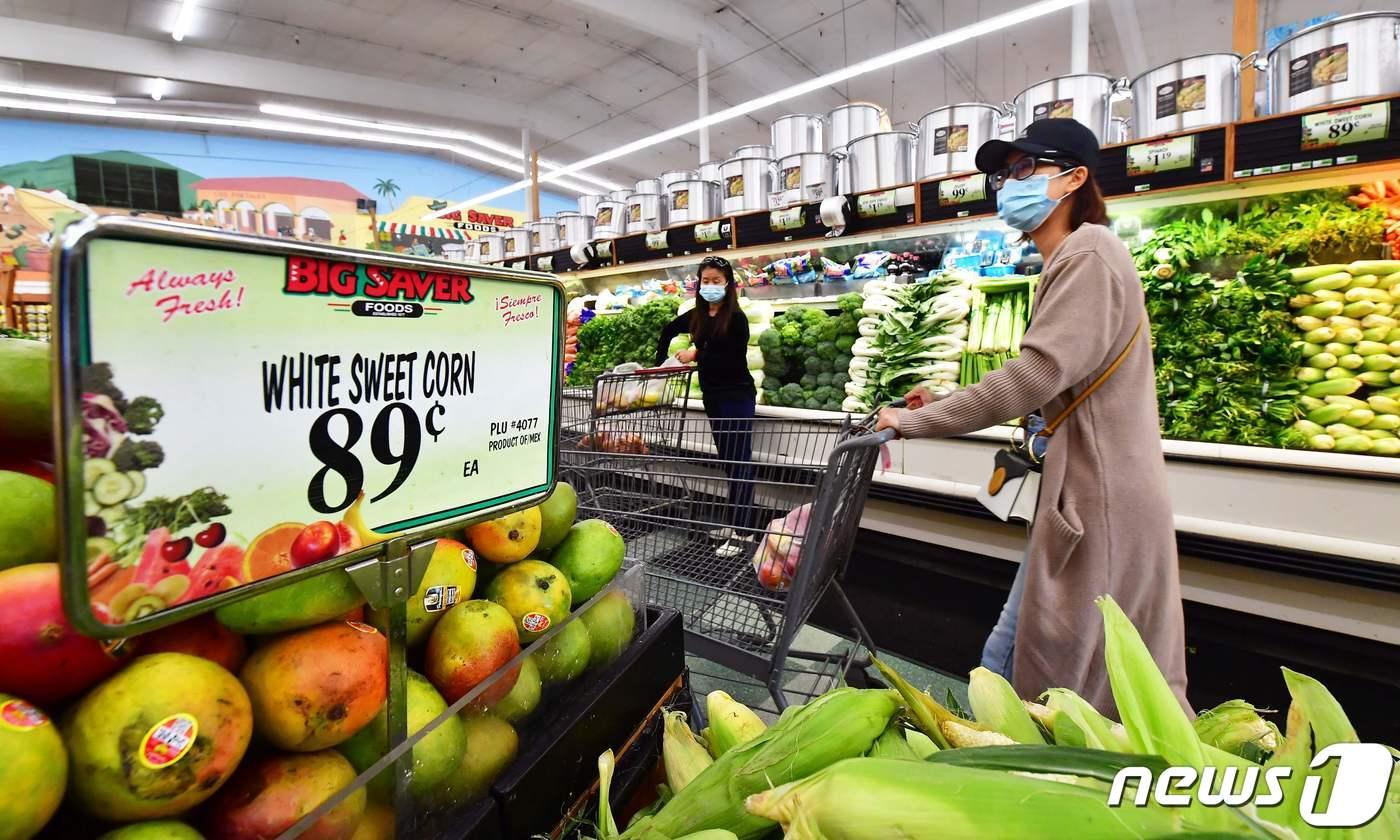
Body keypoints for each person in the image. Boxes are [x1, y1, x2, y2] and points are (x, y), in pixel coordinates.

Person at [874, 118, 1188, 715]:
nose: (1005, 185)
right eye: (1001, 174)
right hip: (1085, 494)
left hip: (1102, 501)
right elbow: (1056, 382)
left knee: (1059, 675)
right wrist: (941, 400)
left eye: (1023, 169)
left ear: (1073, 178)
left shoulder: (1088, 253)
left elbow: (1033, 378)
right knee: (1031, 654)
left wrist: (909, 422)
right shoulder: (1073, 258)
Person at [657, 256, 757, 557]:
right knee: (729, 460)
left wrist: (696, 354)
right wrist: (660, 361)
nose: (710, 286)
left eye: (716, 281)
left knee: (740, 462)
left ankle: (744, 532)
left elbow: (730, 359)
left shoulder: (736, 319)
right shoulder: (697, 316)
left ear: (728, 284)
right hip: (713, 397)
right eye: (706, 281)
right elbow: (667, 330)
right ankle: (738, 522)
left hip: (736, 396)